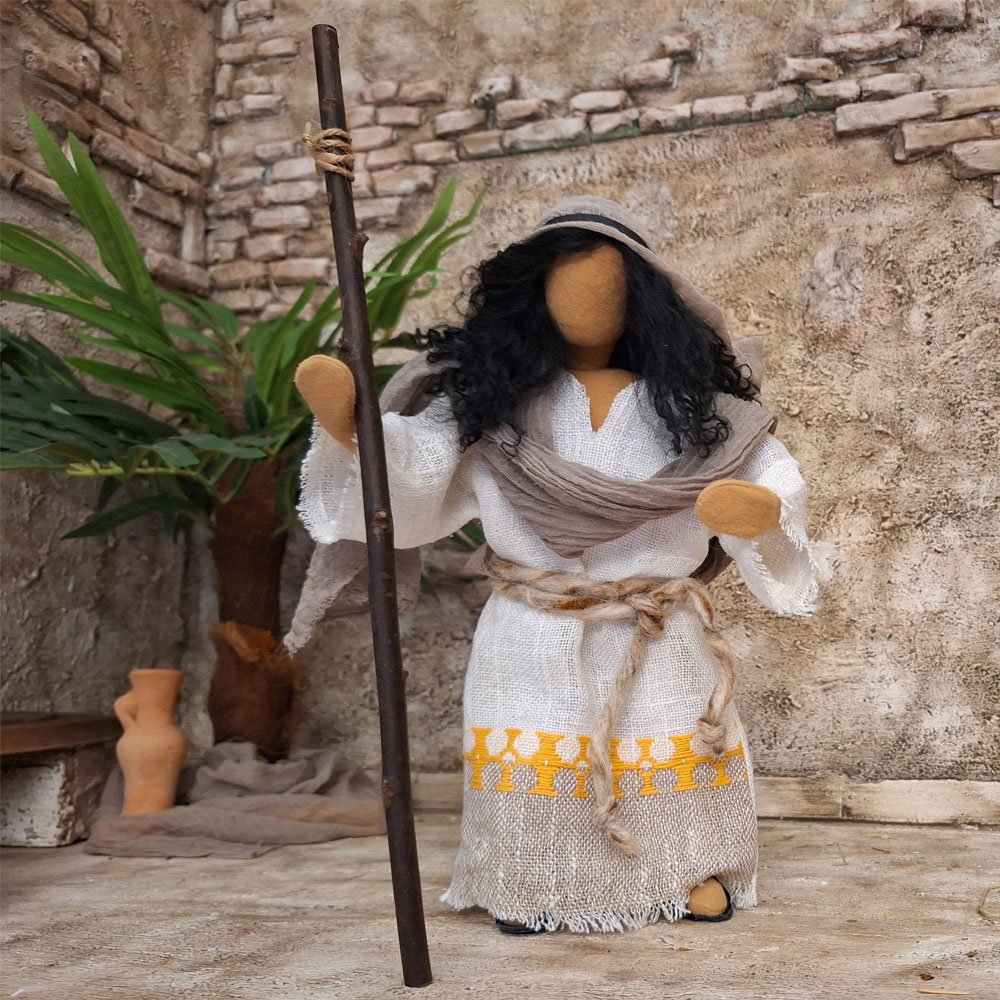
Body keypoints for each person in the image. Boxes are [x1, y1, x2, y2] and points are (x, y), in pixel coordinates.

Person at [291, 196, 819, 933]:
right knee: (537, 747)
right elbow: (415, 470)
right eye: (566, 288)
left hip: (656, 627)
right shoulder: (491, 406)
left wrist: (761, 512)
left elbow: (763, 468)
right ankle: (531, 881)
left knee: (667, 741)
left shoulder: (694, 409)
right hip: (533, 627)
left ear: (644, 301)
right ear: (531, 297)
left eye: (606, 291)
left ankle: (687, 870)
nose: (586, 306)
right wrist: (362, 437)